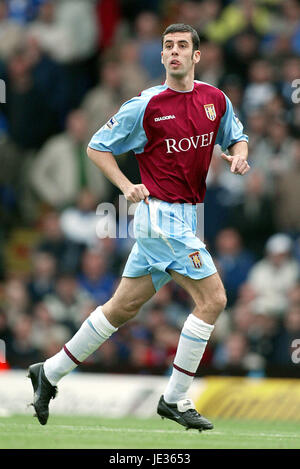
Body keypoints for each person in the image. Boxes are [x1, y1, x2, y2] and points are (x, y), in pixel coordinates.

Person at [28, 23, 250, 430]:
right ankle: (175, 398)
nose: (175, 52)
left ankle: (50, 372)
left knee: (122, 307)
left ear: (197, 56)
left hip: (187, 215)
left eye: (183, 46)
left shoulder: (215, 99)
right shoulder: (146, 105)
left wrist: (238, 155)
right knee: (213, 299)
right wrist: (127, 185)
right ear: (162, 56)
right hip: (158, 215)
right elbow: (97, 147)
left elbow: (236, 137)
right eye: (168, 47)